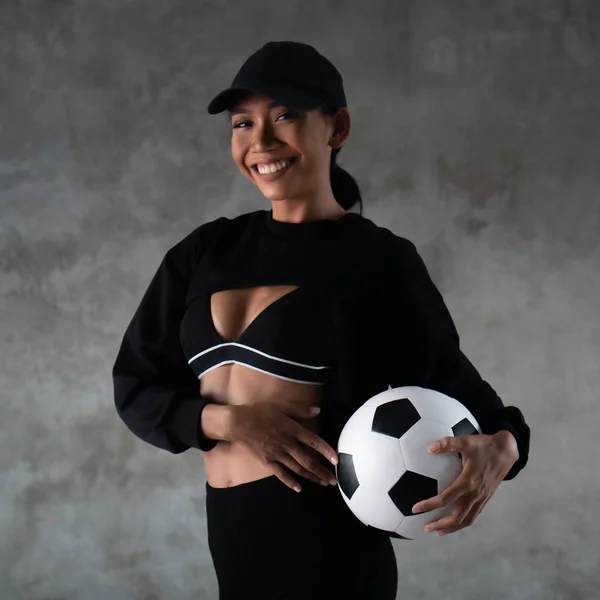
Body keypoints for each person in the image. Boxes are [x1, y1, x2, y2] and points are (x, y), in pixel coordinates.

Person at [112, 41, 530, 600]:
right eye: (243, 123)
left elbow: (456, 384)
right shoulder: (203, 253)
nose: (260, 141)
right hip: (234, 545)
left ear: (337, 128)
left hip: (330, 551)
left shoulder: (378, 260)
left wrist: (506, 443)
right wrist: (231, 423)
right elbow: (136, 387)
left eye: (284, 115)